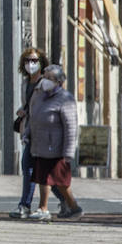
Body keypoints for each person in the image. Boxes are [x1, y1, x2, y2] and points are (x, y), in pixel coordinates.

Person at [27, 63, 82, 221]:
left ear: (59, 82)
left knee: (50, 180)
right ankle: (74, 208)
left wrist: (68, 152)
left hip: (56, 148)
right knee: (58, 183)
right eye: (45, 77)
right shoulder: (38, 95)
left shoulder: (65, 99)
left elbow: (71, 127)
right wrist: (27, 134)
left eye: (50, 78)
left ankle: (43, 208)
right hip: (40, 144)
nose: (46, 81)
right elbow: (33, 117)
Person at [10, 48, 49, 219]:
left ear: (41, 63)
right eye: (27, 60)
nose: (30, 64)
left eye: (34, 60)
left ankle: (52, 205)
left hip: (42, 132)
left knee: (36, 169)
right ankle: (26, 206)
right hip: (29, 131)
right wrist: (23, 110)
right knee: (29, 168)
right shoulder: (25, 83)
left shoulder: (45, 83)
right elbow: (28, 104)